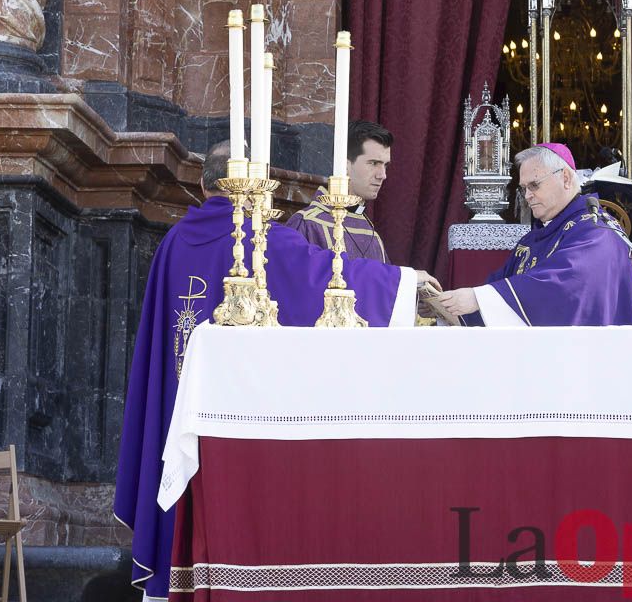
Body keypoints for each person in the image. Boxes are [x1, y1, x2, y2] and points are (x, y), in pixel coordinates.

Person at [114, 142, 431, 600]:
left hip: (177, 401)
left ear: (205, 184)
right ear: (258, 183)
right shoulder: (260, 237)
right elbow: (326, 278)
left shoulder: (174, 241)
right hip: (241, 416)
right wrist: (405, 282)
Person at [436, 143, 632, 326]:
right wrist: (449, 309)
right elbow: (499, 289)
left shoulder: (598, 230)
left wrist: (477, 298)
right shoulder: (535, 238)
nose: (527, 196)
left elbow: (567, 284)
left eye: (534, 185)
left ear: (566, 178)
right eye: (524, 188)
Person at [284, 120, 392, 262]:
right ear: (345, 165)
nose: (382, 175)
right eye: (373, 163)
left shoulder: (371, 232)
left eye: (385, 165)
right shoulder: (308, 223)